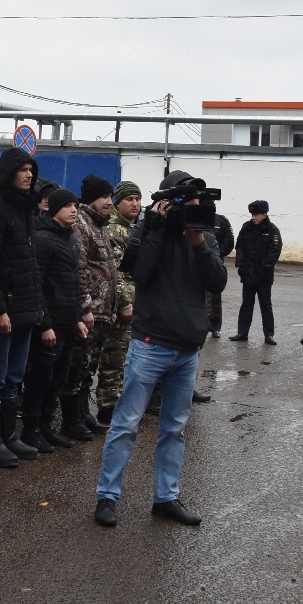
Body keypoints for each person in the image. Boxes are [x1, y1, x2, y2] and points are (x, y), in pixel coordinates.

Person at [94, 172, 225, 529]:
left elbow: (217, 282)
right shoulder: (151, 227)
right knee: (126, 423)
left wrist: (198, 242)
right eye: (188, 199)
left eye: (198, 199)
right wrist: (154, 228)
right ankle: (107, 496)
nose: (194, 205)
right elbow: (140, 272)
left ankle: (166, 497)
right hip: (151, 342)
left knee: (174, 428)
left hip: (188, 347)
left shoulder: (202, 233)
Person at [0, 147, 44, 469]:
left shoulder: (26, 209)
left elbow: (30, 264)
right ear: (8, 173)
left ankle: (7, 435)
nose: (29, 175)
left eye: (31, 169)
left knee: (14, 376)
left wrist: (37, 307)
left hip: (26, 309)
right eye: (22, 169)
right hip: (5, 311)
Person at [27, 188, 87, 454]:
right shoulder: (42, 239)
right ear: (54, 209)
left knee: (57, 380)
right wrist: (45, 325)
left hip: (67, 323)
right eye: (68, 206)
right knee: (40, 379)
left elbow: (71, 284)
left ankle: (47, 428)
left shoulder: (69, 239)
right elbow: (37, 286)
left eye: (75, 205)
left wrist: (77, 319)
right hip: (50, 325)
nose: (74, 210)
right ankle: (31, 431)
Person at [64, 174, 120, 441]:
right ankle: (71, 419)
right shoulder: (81, 224)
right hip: (90, 310)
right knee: (78, 364)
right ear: (91, 199)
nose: (110, 202)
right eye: (104, 197)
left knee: (90, 366)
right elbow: (81, 269)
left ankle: (84, 413)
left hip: (104, 310)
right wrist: (85, 307)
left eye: (110, 197)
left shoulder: (101, 225)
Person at [97, 181, 141, 422]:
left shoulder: (132, 228)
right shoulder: (115, 229)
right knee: (115, 355)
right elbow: (115, 273)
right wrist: (125, 303)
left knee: (128, 357)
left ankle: (121, 403)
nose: (135, 204)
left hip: (136, 303)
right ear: (117, 203)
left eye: (137, 199)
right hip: (122, 305)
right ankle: (108, 406)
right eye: (129, 199)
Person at [230, 200, 282, 344]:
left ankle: (269, 334)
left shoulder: (272, 230)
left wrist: (265, 266)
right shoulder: (246, 227)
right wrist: (240, 264)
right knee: (246, 304)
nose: (254, 217)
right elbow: (239, 246)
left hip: (264, 276)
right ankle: (242, 332)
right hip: (247, 274)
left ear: (265, 214)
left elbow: (275, 250)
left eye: (257, 214)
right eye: (252, 214)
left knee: (265, 305)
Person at [203, 211, 234, 339]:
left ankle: (215, 327)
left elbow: (229, 241)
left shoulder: (221, 221)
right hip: (197, 261)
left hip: (214, 263)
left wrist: (216, 254)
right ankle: (202, 325)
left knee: (215, 297)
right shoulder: (195, 217)